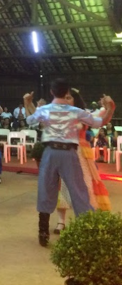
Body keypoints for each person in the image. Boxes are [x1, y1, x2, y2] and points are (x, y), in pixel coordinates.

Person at [23, 79, 116, 247]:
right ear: (66, 92)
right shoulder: (76, 111)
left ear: (51, 92)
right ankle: (87, 232)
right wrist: (110, 108)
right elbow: (100, 122)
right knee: (78, 190)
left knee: (45, 188)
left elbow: (29, 120)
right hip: (69, 153)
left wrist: (27, 102)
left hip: (50, 152)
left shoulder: (45, 109)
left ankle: (43, 232)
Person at [54, 90, 112, 235]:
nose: (65, 100)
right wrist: (28, 104)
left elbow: (103, 120)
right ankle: (61, 221)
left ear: (75, 100)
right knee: (64, 187)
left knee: (86, 186)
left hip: (81, 155)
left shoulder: (84, 115)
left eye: (68, 97)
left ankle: (86, 220)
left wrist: (109, 107)